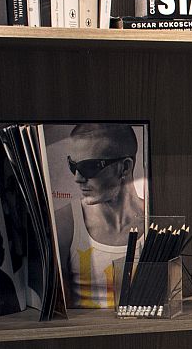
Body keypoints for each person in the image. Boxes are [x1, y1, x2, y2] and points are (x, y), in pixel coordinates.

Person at [54, 122, 146, 309]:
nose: (77, 178)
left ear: (125, 168)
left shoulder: (154, 221)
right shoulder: (65, 222)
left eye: (89, 167)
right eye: (73, 165)